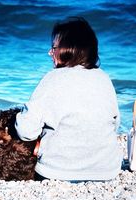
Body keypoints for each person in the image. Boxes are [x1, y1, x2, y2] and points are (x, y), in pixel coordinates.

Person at [15, 17, 122, 182]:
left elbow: (26, 131)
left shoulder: (53, 78)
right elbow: (114, 124)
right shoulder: (104, 77)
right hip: (107, 170)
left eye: (54, 47)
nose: (50, 52)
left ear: (69, 49)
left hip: (58, 171)